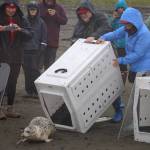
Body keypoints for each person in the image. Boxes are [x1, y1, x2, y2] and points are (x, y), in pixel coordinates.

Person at [86, 7, 150, 122]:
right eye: (124, 24)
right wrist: (103, 38)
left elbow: (138, 54)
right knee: (135, 89)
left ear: (134, 22)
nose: (125, 26)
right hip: (135, 66)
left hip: (145, 67)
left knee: (142, 94)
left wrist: (120, 60)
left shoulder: (144, 34)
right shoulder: (127, 29)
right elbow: (115, 34)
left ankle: (142, 120)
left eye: (127, 24)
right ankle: (139, 119)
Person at [0, 0, 32, 119]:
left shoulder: (22, 19)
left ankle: (10, 108)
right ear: (4, 7)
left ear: (17, 8)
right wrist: (2, 29)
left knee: (12, 82)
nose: (11, 10)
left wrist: (20, 29)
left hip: (16, 56)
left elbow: (30, 34)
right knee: (1, 82)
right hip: (1, 56)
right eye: (9, 7)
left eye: (13, 8)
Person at [22, 1, 47, 98]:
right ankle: (29, 91)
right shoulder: (23, 20)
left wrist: (42, 48)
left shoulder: (41, 22)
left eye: (34, 10)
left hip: (36, 51)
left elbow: (44, 38)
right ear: (28, 10)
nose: (32, 11)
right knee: (27, 72)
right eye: (31, 10)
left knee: (35, 71)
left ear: (37, 10)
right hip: (24, 50)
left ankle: (37, 92)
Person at [39, 0, 68, 70]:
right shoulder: (39, 6)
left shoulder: (59, 7)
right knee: (37, 67)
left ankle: (46, 81)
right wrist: (45, 13)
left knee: (49, 68)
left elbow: (64, 21)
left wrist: (56, 15)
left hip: (53, 43)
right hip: (39, 42)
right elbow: (33, 19)